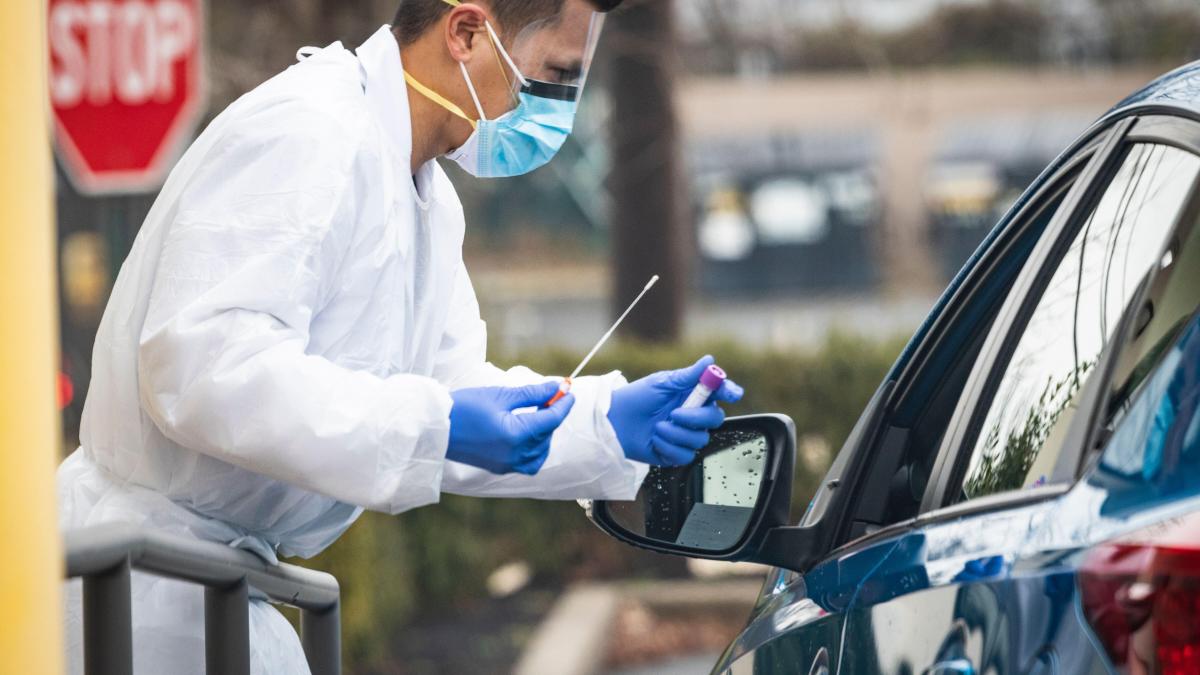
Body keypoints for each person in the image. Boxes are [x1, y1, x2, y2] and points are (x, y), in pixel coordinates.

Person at [58, 0, 743, 673]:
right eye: (555, 75)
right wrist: (436, 423)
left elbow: (444, 391)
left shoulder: (423, 195)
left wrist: (603, 420)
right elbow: (201, 364)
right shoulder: (308, 131)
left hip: (213, 590)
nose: (559, 108)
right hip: (143, 591)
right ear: (467, 33)